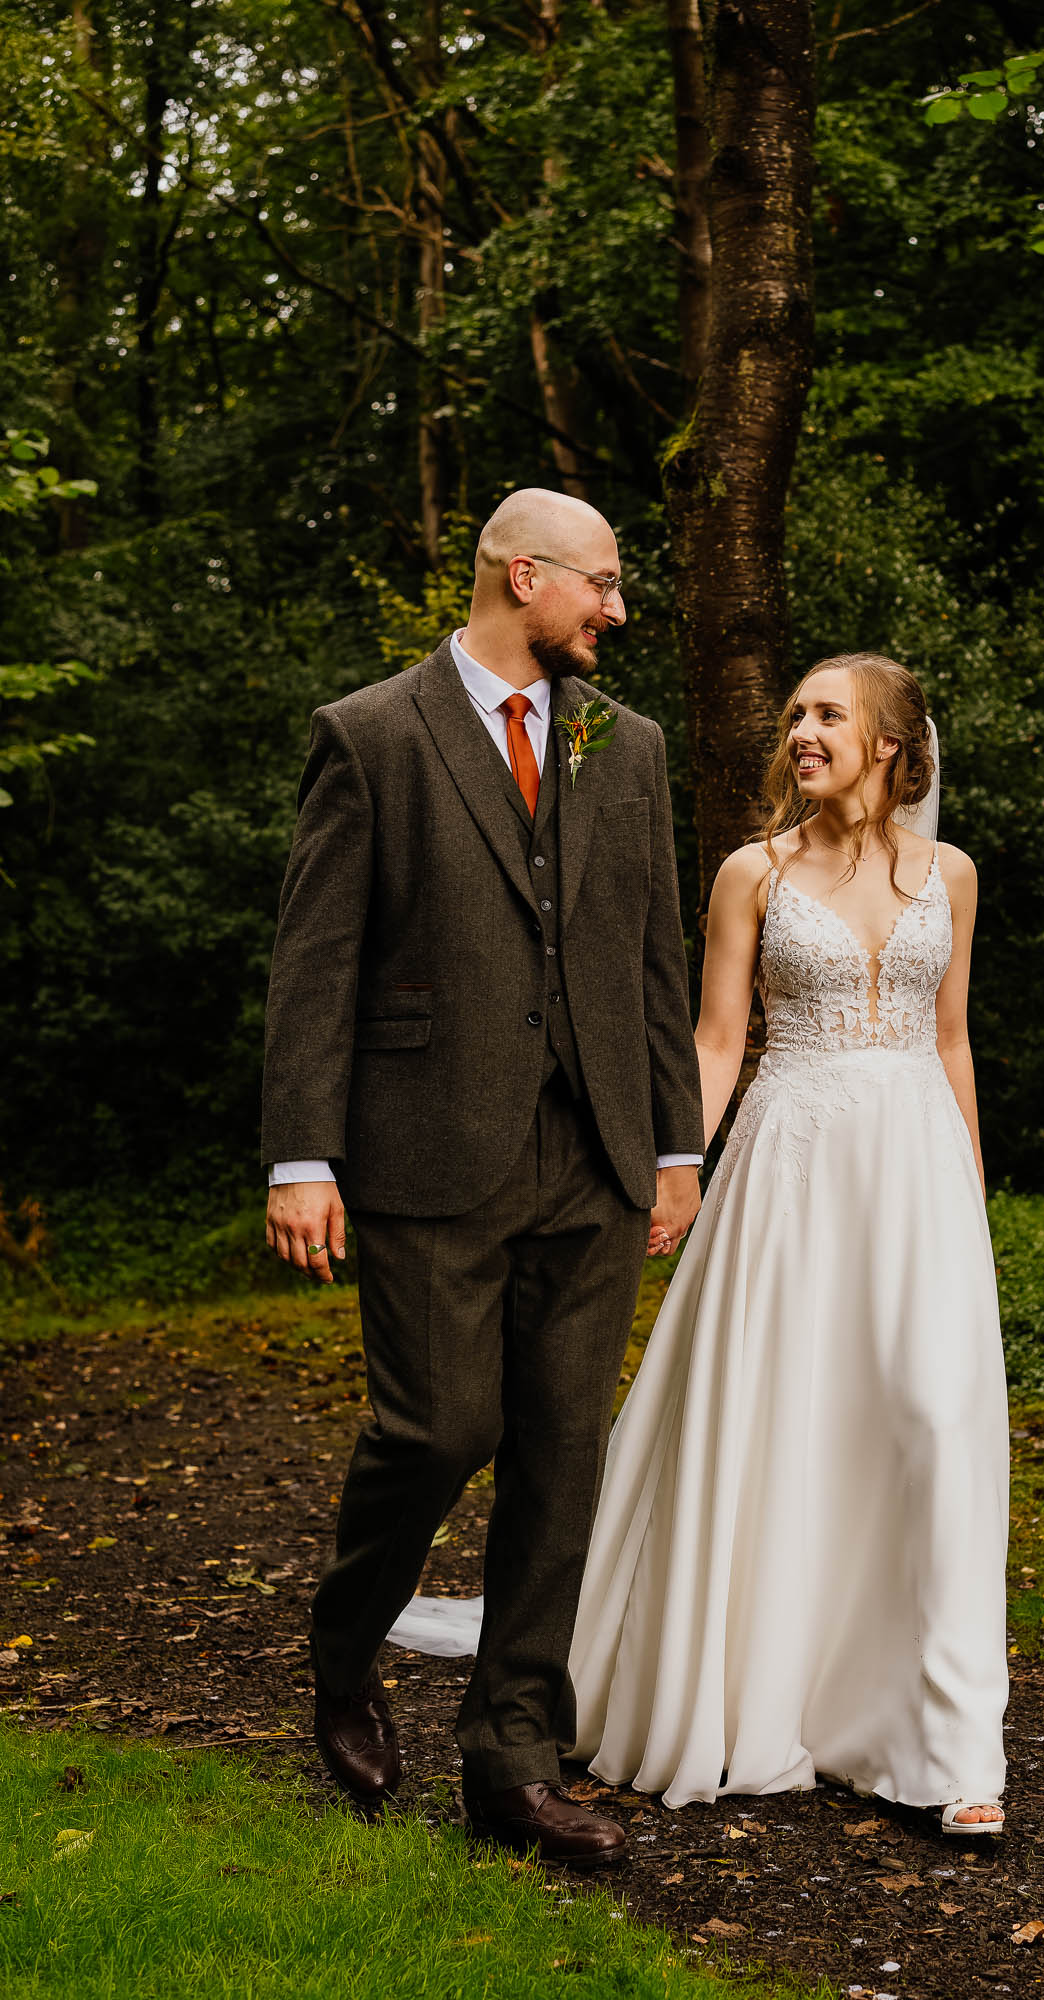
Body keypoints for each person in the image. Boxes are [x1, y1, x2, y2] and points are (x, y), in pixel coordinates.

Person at [394, 650, 1009, 1833]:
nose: (802, 734)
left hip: (917, 1172)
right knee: (780, 1419)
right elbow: (715, 1040)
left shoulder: (952, 873)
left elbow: (951, 1037)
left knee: (934, 1421)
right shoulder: (752, 874)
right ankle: (769, 1695)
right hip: (790, 1163)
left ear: (889, 742)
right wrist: (673, 1166)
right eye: (794, 715)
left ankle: (949, 1742)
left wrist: (967, 1196)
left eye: (828, 715)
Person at [260, 488, 705, 1868]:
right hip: (424, 1149)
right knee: (439, 1427)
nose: (617, 612)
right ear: (526, 576)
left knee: (563, 1459)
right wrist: (300, 1155)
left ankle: (511, 1762)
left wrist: (675, 1146)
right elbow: (317, 960)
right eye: (604, 586)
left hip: (593, 1157)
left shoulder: (623, 750)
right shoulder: (371, 737)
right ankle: (346, 1645)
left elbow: (653, 957)